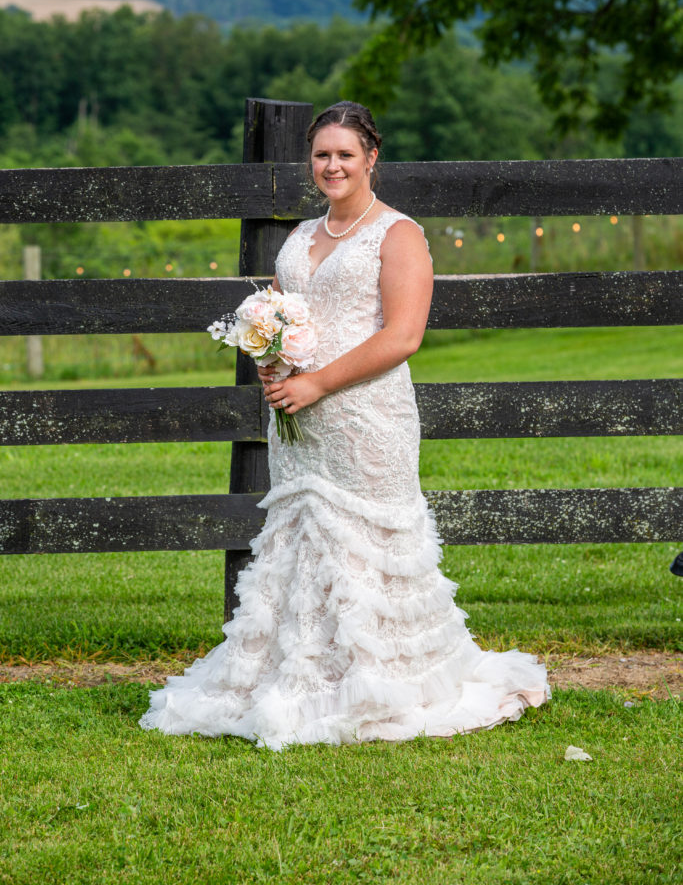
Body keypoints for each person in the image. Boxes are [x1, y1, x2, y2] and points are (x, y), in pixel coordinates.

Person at [139, 101, 551, 748]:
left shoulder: (397, 234)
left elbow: (404, 335)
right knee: (301, 538)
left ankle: (384, 681)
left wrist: (319, 382)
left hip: (365, 416)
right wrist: (271, 358)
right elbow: (283, 314)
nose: (332, 165)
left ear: (370, 158)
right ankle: (302, 675)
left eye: (345, 154)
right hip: (300, 423)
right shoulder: (301, 235)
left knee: (367, 544)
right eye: (322, 155)